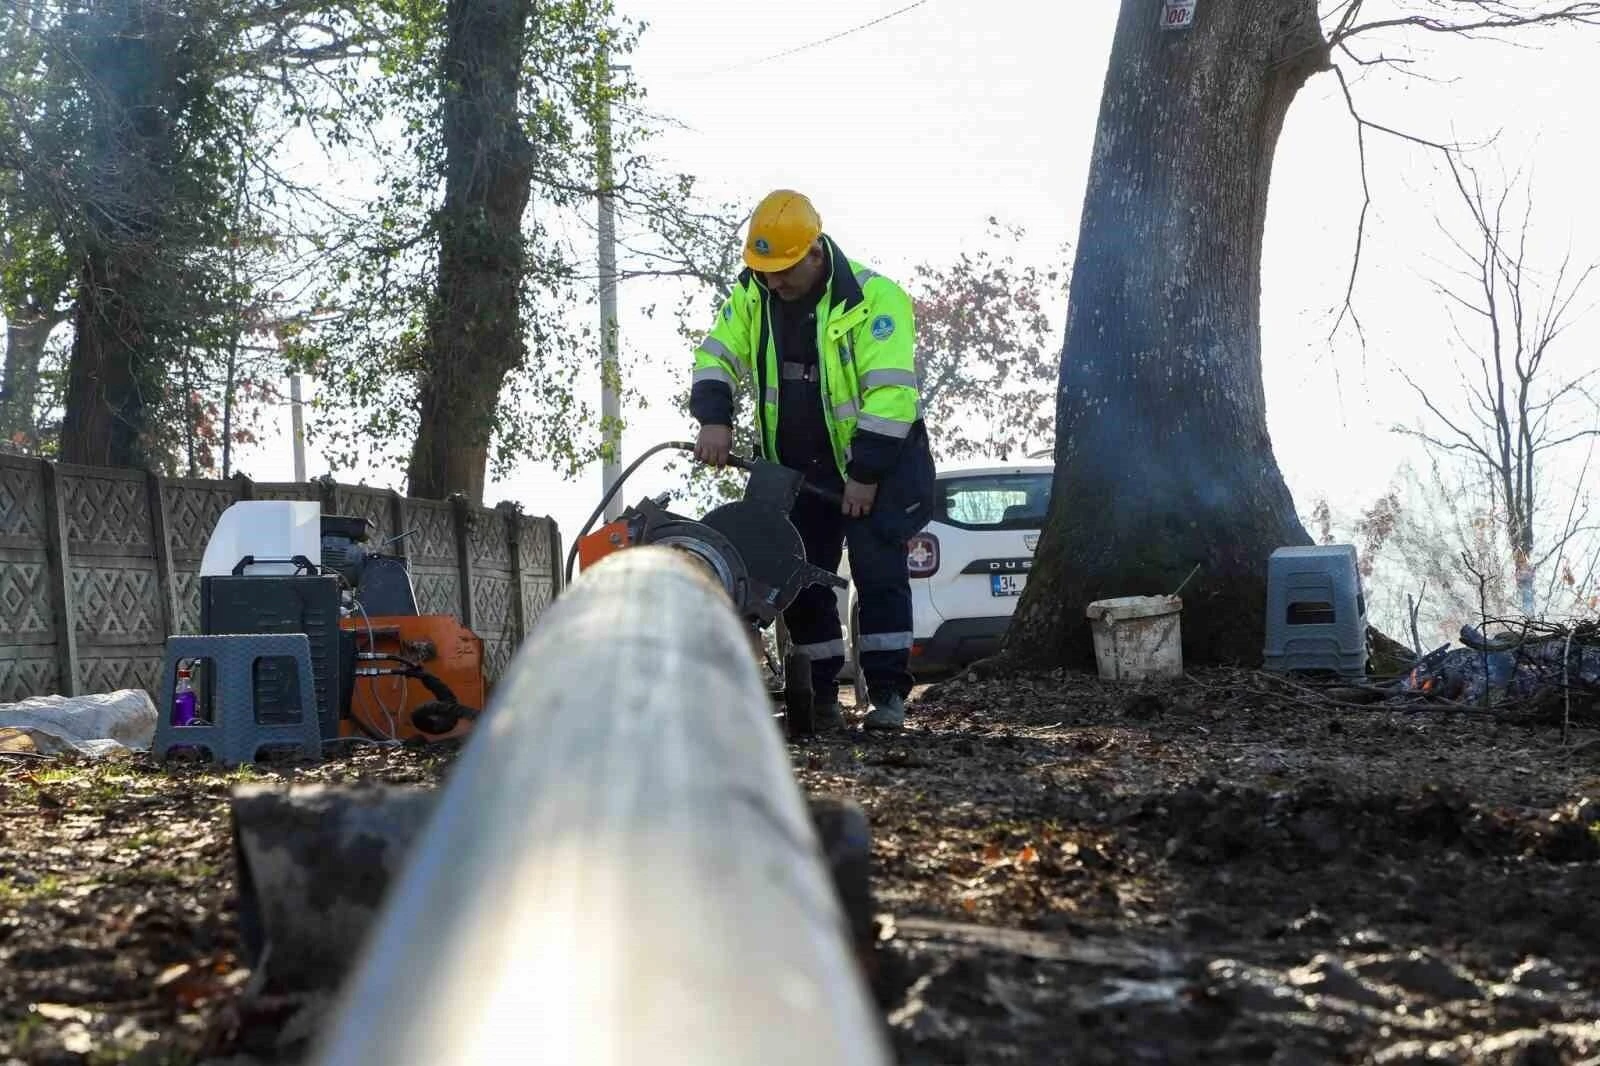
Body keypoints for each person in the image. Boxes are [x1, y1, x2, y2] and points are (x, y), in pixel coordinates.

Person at [689, 189, 935, 731]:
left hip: (877, 465)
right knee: (795, 579)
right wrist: (714, 418)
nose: (773, 282)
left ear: (815, 254)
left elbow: (892, 397)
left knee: (878, 575)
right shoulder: (753, 295)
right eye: (765, 270)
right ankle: (820, 698)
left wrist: (865, 475)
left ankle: (888, 698)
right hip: (795, 472)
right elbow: (715, 354)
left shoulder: (876, 300)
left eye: (783, 271)